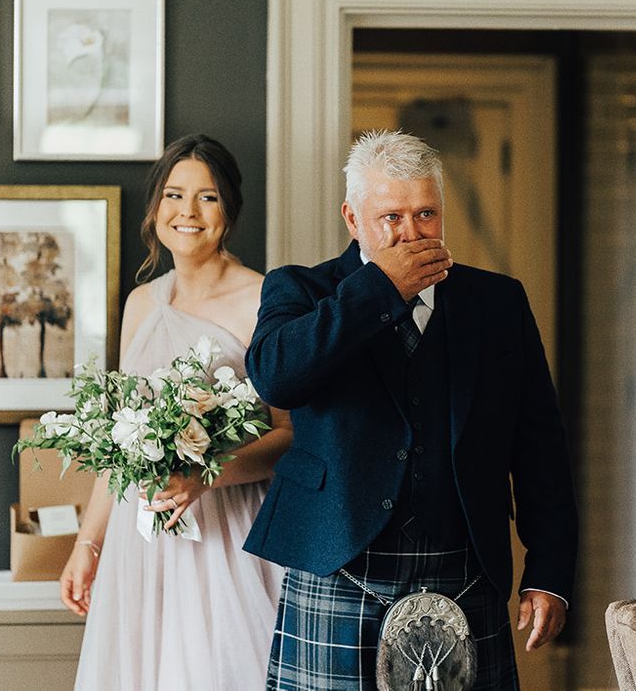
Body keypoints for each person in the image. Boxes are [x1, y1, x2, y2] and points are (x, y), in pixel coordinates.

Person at [244, 130, 578, 690]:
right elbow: (277, 376)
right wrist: (379, 291)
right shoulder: (300, 290)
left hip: (466, 572)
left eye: (425, 214)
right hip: (340, 570)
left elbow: (540, 444)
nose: (410, 233)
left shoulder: (498, 303)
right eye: (390, 217)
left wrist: (549, 572)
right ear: (352, 219)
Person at [61, 134, 291, 690]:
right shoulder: (141, 303)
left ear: (229, 209)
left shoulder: (264, 300)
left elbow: (289, 435)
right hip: (138, 544)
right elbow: (121, 447)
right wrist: (87, 546)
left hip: (227, 540)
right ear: (156, 209)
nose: (188, 212)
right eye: (173, 195)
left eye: (207, 198)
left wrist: (203, 476)